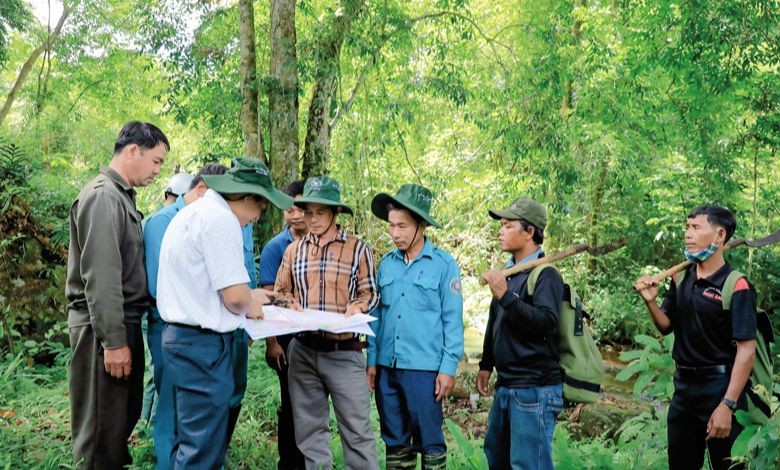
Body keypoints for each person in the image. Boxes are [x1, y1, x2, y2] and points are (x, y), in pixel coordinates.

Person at [156, 158, 292, 469]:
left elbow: (203, 284)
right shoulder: (220, 219)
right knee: (202, 450)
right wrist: (250, 302)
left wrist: (248, 294)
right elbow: (234, 298)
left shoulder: (193, 212)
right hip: (203, 348)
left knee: (187, 441)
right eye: (259, 209)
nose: (255, 219)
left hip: (182, 340)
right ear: (245, 198)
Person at [66, 121, 169, 468]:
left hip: (121, 323)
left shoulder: (119, 196)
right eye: (156, 161)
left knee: (119, 423)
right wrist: (112, 341)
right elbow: (102, 277)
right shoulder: (102, 197)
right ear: (132, 151)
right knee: (101, 432)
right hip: (104, 329)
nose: (158, 171)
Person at [635, 205, 757, 470]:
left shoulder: (737, 285)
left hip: (721, 389)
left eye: (696, 227)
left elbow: (747, 351)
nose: (687, 234)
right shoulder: (681, 277)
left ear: (720, 235)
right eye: (687, 227)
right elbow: (667, 325)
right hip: (684, 393)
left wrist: (727, 405)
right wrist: (651, 303)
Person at [275, 176, 380, 470]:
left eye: (320, 212)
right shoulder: (294, 251)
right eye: (308, 212)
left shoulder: (358, 249)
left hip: (344, 352)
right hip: (304, 350)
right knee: (309, 432)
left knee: (357, 431)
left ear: (335, 213)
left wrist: (357, 306)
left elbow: (370, 293)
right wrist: (289, 304)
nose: (312, 219)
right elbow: (281, 291)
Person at [366, 184, 464, 470]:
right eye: (391, 226)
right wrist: (372, 361)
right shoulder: (386, 264)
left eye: (403, 226)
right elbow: (377, 317)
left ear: (421, 225)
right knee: (395, 440)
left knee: (430, 440)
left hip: (424, 369)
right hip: (387, 367)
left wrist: (448, 368)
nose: (395, 233)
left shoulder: (444, 265)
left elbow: (452, 321)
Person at [142, 163, 234, 469]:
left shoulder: (219, 219)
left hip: (207, 326)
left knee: (197, 421)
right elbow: (161, 284)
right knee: (172, 407)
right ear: (201, 188)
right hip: (175, 324)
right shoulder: (166, 221)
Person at [477, 196, 565, 470]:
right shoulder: (510, 272)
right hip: (507, 385)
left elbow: (546, 323)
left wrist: (505, 296)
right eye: (500, 225)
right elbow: (496, 321)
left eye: (507, 225)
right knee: (497, 461)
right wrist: (486, 364)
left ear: (529, 232)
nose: (500, 231)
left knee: (528, 465)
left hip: (534, 389)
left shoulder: (545, 274)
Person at [258, 179, 307, 470]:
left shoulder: (323, 244)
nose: (295, 214)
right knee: (290, 406)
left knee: (312, 405)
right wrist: (272, 342)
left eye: (300, 208)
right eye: (289, 209)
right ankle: (289, 463)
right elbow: (268, 300)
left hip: (317, 336)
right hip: (287, 339)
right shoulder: (275, 249)